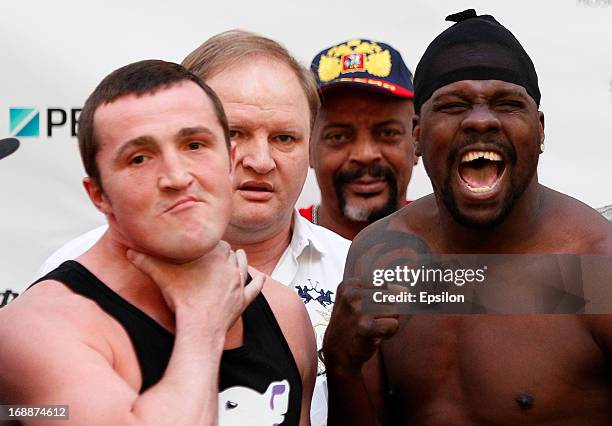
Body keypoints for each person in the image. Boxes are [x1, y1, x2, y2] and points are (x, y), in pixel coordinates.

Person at [37, 31, 350, 425]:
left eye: (284, 138)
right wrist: (202, 328)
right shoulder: (67, 287)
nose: (259, 160)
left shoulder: (348, 276)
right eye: (235, 132)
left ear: (311, 149)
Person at [323, 9, 612, 425]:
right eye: (454, 105)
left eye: (507, 104)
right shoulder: (383, 254)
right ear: (418, 136)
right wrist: (342, 366)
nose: (480, 120)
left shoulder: (595, 267)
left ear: (541, 131)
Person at [301, 39, 418, 240]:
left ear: (417, 140)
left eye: (387, 133)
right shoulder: (276, 247)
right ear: (309, 148)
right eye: (338, 136)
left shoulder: (455, 244)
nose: (364, 155)